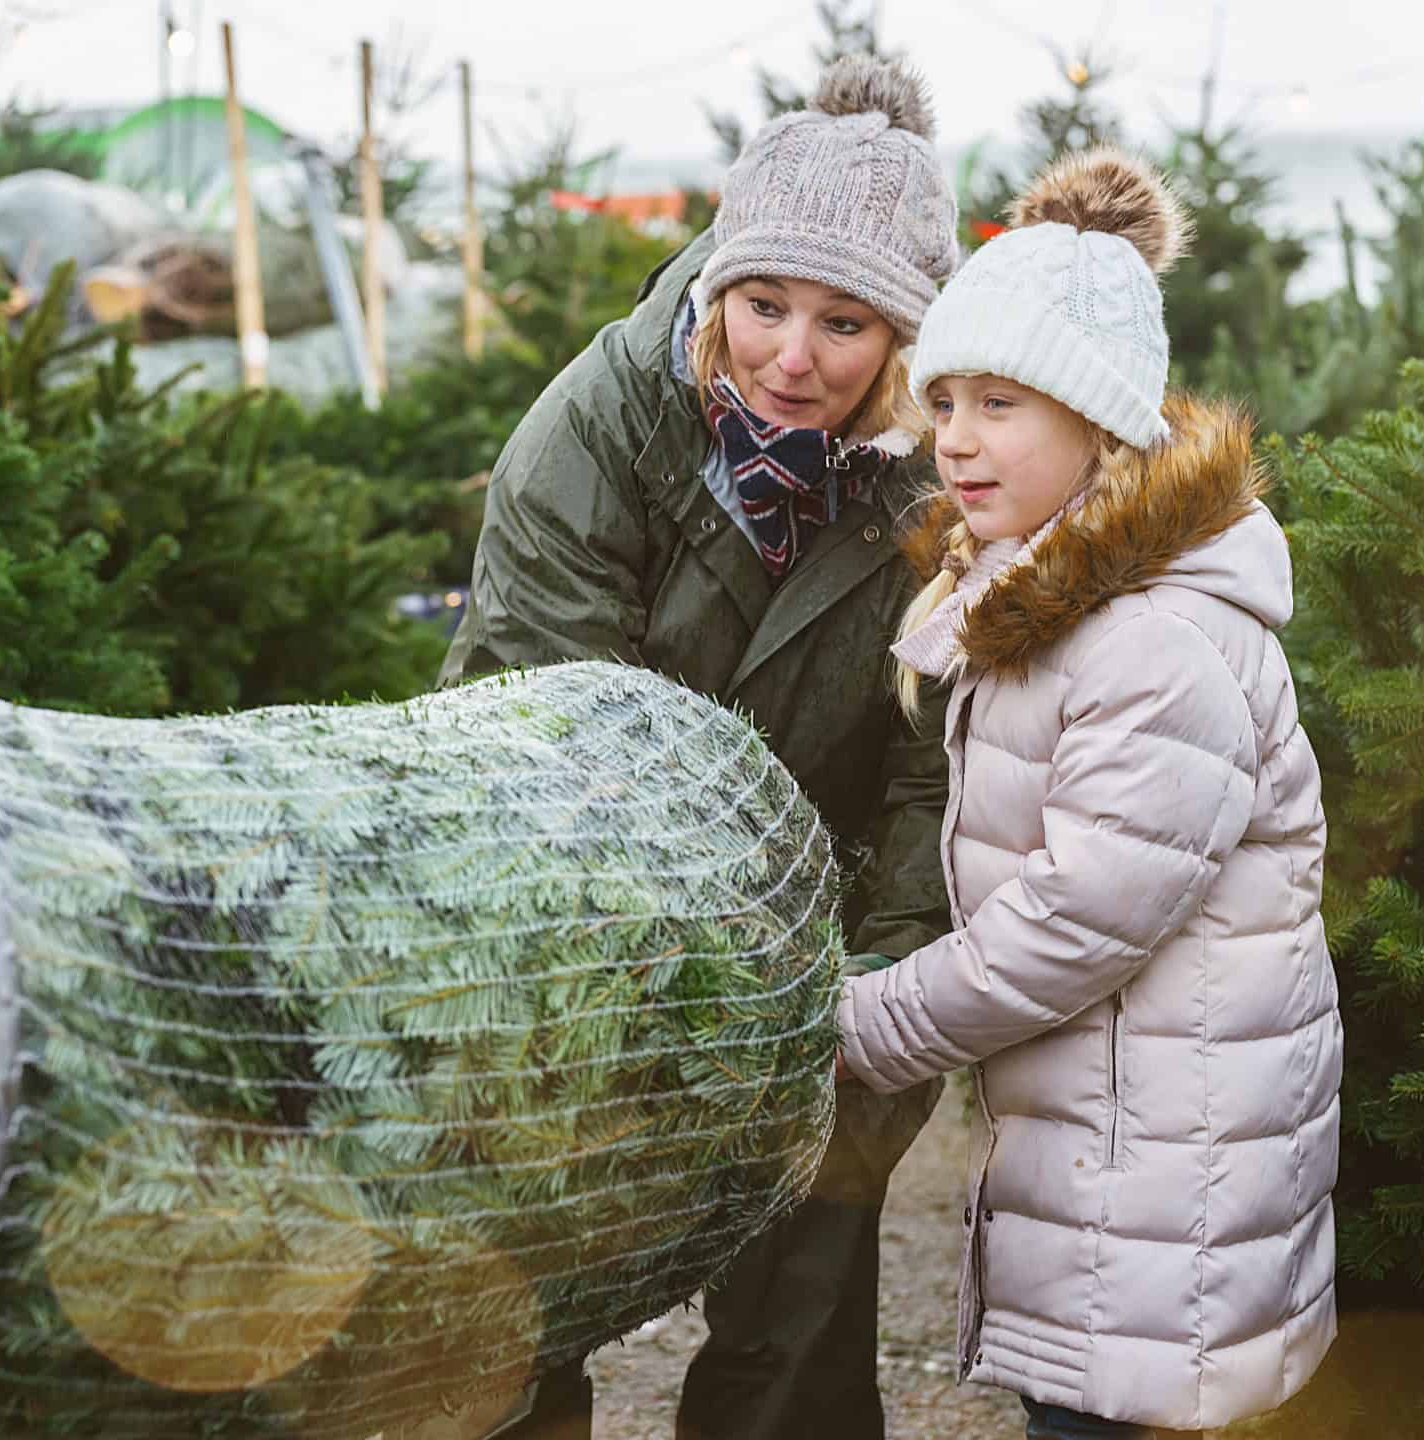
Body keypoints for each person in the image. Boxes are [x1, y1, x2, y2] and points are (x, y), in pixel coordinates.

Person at [438, 51, 962, 1440]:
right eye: (764, 305)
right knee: (520, 1253)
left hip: (822, 920)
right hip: (563, 889)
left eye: (845, 324)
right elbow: (551, 726)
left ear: (906, 342)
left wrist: (884, 998)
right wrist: (659, 995)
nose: (791, 356)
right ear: (718, 289)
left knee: (804, 1276)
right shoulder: (597, 425)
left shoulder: (944, 474)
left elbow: (935, 761)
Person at [834, 146, 1343, 1440]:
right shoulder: (1043, 600)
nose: (952, 439)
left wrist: (868, 1022)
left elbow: (1076, 919)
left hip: (1169, 1206)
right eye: (942, 400)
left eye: (1000, 402)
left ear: (1103, 420)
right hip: (1127, 1172)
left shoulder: (1151, 641)